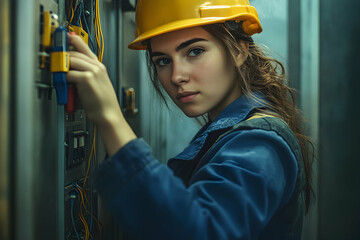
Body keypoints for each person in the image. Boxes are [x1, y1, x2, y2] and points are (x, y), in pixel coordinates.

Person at [66, 0, 313, 239]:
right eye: (163, 61)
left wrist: (109, 117)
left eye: (195, 51)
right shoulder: (230, 133)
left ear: (239, 50)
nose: (176, 76)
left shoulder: (260, 143)